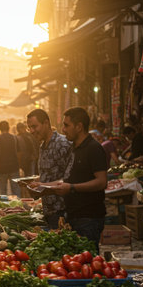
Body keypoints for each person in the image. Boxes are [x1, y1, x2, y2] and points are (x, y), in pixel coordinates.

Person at [51, 107, 108, 250]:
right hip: (73, 215)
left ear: (79, 127)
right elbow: (70, 178)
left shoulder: (93, 148)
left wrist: (72, 188)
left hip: (88, 218)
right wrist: (43, 185)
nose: (63, 129)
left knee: (88, 264)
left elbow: (101, 182)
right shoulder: (74, 148)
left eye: (66, 125)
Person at [26, 109, 73, 229]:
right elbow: (48, 174)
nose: (32, 131)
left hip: (63, 211)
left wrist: (41, 185)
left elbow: (71, 178)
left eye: (34, 126)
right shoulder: (42, 146)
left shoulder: (62, 144)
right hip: (49, 210)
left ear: (46, 123)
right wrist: (33, 183)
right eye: (29, 128)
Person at [0, 121, 21, 197]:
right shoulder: (15, 138)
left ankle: (4, 207)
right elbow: (19, 154)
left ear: (0, 129)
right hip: (14, 167)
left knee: (3, 192)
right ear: (8, 128)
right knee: (16, 190)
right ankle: (18, 207)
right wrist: (19, 165)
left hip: (2, 169)